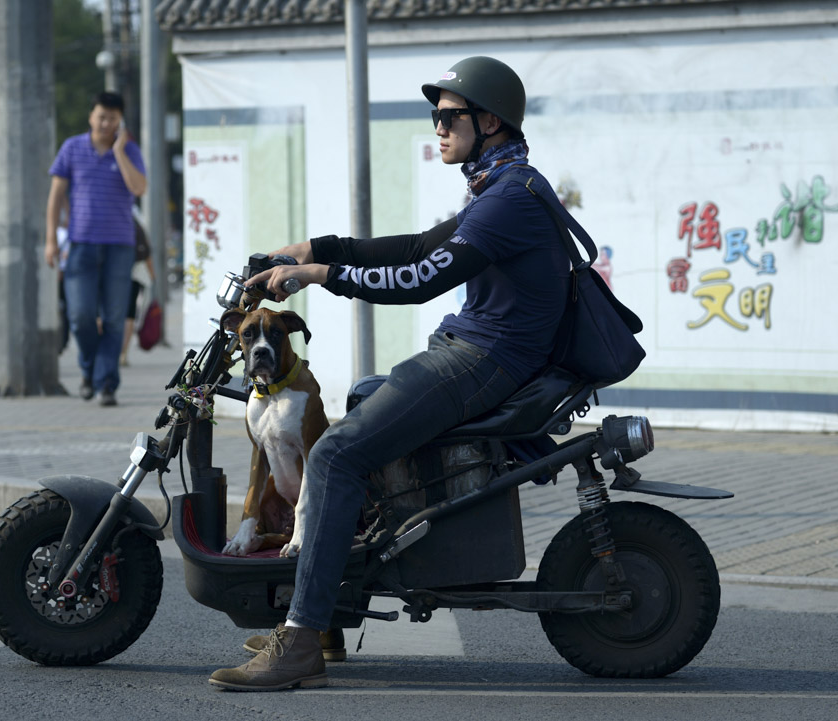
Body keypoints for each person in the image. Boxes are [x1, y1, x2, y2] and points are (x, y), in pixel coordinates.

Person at [208, 56, 571, 692]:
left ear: (490, 121)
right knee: (364, 398)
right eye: (436, 115)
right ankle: (333, 607)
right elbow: (414, 247)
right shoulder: (501, 186)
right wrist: (314, 249)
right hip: (477, 350)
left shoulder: (510, 198)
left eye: (448, 115)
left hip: (484, 359)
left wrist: (321, 277)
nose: (438, 126)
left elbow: (419, 279)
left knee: (334, 456)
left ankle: (302, 642)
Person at [45, 91, 147, 407]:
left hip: (120, 247)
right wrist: (51, 239)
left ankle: (106, 384)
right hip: (80, 245)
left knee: (115, 319)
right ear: (91, 116)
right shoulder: (72, 148)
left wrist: (119, 152)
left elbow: (139, 188)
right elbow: (56, 195)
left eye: (113, 119)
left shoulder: (129, 149)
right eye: (101, 117)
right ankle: (89, 370)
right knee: (81, 316)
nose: (106, 124)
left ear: (120, 121)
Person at [119, 213, 155, 367]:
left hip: (113, 272)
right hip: (136, 273)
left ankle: (109, 350)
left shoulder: (109, 215)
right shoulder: (136, 217)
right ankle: (123, 353)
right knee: (129, 313)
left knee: (107, 311)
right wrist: (152, 273)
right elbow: (145, 248)